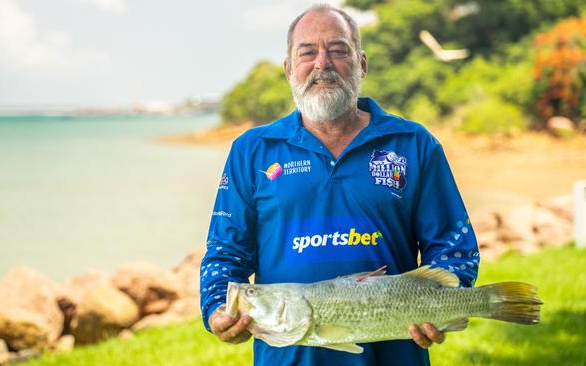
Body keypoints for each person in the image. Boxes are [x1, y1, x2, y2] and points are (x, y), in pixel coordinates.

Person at [199, 4, 479, 366]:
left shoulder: (413, 144)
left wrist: (441, 304)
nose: (322, 63)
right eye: (307, 52)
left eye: (337, 49)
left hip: (394, 357)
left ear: (362, 63)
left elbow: (453, 247)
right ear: (288, 70)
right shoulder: (252, 151)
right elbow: (225, 254)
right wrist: (217, 309)